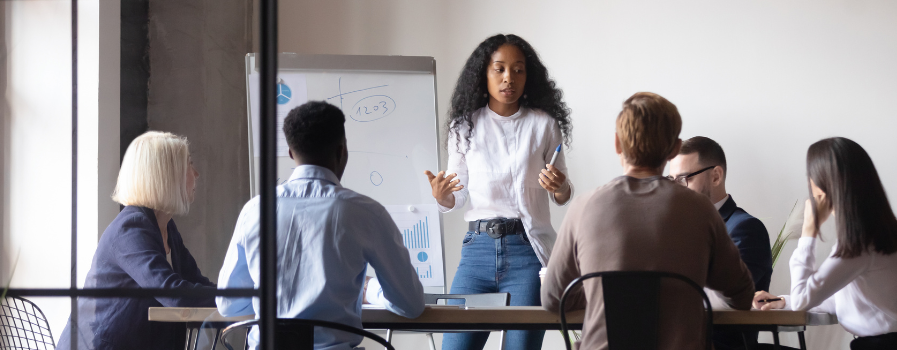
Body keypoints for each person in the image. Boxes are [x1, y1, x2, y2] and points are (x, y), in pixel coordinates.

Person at [542, 92, 755, 350]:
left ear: (617, 143)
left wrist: (610, 299)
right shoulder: (701, 209)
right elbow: (742, 296)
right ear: (675, 148)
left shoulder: (584, 207)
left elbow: (553, 299)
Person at [217, 101, 424, 350]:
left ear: (291, 154)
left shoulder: (255, 210)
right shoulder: (366, 213)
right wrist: (370, 291)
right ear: (341, 151)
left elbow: (229, 305)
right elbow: (410, 305)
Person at [424, 34, 572, 350]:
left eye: (518, 70)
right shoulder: (463, 126)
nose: (509, 78)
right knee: (455, 347)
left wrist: (560, 187)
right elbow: (457, 195)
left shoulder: (543, 124)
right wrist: (443, 196)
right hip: (477, 251)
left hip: (528, 252)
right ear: (484, 74)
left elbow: (562, 194)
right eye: (499, 69)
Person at [753, 137, 897, 350]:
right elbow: (843, 300)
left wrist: (808, 233)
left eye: (810, 177)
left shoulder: (860, 244)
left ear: (826, 185)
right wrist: (784, 301)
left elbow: (805, 301)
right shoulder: (883, 233)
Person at [55, 131, 215, 350]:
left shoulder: (166, 227)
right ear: (166, 175)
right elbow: (174, 294)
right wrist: (238, 300)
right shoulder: (131, 229)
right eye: (188, 164)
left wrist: (244, 295)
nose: (196, 174)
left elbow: (196, 282)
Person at [669, 136, 773, 350]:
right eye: (671, 181)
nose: (675, 190)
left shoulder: (746, 229)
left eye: (682, 179)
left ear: (716, 176)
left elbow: (729, 295)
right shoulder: (674, 232)